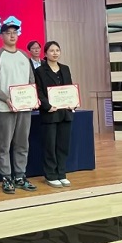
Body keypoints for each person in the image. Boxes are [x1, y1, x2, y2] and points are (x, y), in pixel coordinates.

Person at [0, 19, 37, 195]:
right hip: (4, 108)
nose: (12, 36)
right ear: (1, 36)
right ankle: (7, 177)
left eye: (15, 32)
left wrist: (33, 97)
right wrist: (6, 98)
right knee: (4, 145)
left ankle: (20, 176)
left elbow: (31, 80)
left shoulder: (24, 56)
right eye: (8, 33)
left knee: (22, 143)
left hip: (24, 107)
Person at [35, 41, 77, 187]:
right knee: (50, 145)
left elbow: (69, 88)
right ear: (45, 53)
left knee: (63, 145)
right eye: (51, 50)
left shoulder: (65, 68)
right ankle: (51, 175)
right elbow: (38, 91)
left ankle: (61, 173)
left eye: (57, 50)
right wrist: (47, 106)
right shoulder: (40, 71)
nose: (55, 53)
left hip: (65, 112)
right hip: (50, 113)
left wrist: (73, 101)